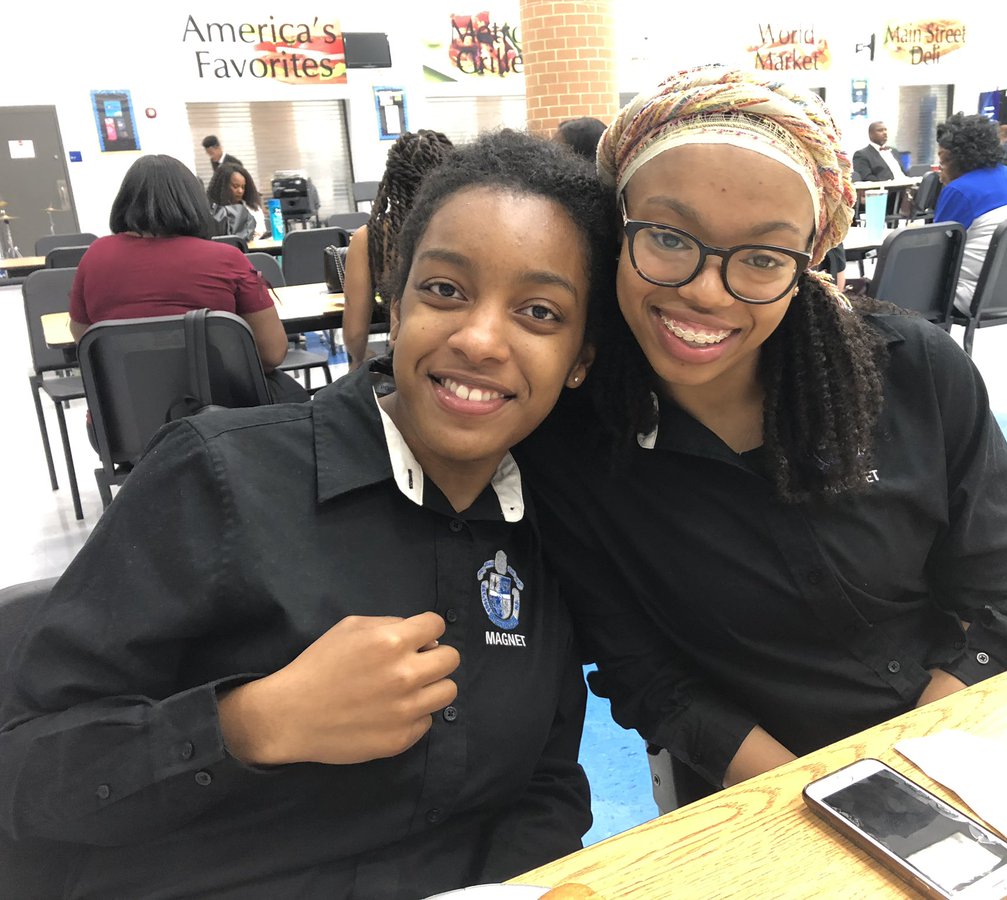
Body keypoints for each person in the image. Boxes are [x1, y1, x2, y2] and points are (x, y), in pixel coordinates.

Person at [0, 130, 618, 898]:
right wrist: (250, 725)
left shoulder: (552, 526)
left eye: (539, 311)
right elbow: (22, 765)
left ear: (581, 358)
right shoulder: (218, 477)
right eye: (445, 290)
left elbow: (546, 781)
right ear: (398, 302)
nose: (480, 339)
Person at [516, 65, 1007, 801]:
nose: (705, 291)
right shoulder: (572, 444)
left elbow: (995, 607)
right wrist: (835, 796)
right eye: (667, 237)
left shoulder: (915, 372)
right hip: (760, 793)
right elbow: (649, 676)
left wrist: (912, 775)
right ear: (617, 227)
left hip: (956, 741)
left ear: (807, 263)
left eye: (763, 258)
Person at [66, 154, 304, 402]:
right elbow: (272, 353)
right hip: (220, 413)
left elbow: (86, 339)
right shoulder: (226, 258)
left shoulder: (95, 256)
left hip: (124, 414)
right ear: (195, 202)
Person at [343, 130, 455, 371]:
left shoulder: (370, 239)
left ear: (390, 178)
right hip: (460, 353)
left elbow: (355, 335)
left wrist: (360, 362)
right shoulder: (467, 232)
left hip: (403, 360)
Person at [933, 114, 1007, 313]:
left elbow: (936, 253)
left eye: (943, 160)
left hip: (972, 297)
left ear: (958, 158)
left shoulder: (961, 190)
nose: (940, 168)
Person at [207, 161, 267, 241]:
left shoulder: (252, 209)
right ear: (222, 186)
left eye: (243, 187)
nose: (240, 191)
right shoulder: (212, 211)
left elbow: (259, 234)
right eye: (235, 186)